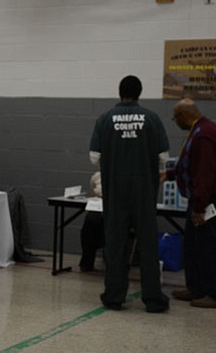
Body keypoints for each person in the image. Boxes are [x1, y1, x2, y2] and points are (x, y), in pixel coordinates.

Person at [89, 75, 170, 313]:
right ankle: (153, 299)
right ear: (140, 93)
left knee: (115, 244)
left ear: (119, 92)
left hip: (115, 192)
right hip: (144, 191)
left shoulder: (105, 119)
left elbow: (94, 157)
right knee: (147, 245)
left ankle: (114, 296)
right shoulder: (152, 118)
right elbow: (164, 158)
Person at [168, 98, 216, 309]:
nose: (175, 122)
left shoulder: (204, 135)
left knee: (209, 244)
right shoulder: (200, 130)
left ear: (184, 116)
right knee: (193, 244)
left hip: (210, 198)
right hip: (205, 196)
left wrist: (198, 208)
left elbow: (204, 175)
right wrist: (168, 174)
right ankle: (196, 288)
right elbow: (190, 166)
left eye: (175, 118)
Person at [79, 172, 104, 272]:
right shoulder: (96, 176)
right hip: (98, 207)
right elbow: (94, 189)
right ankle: (87, 262)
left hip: (116, 210)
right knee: (89, 225)